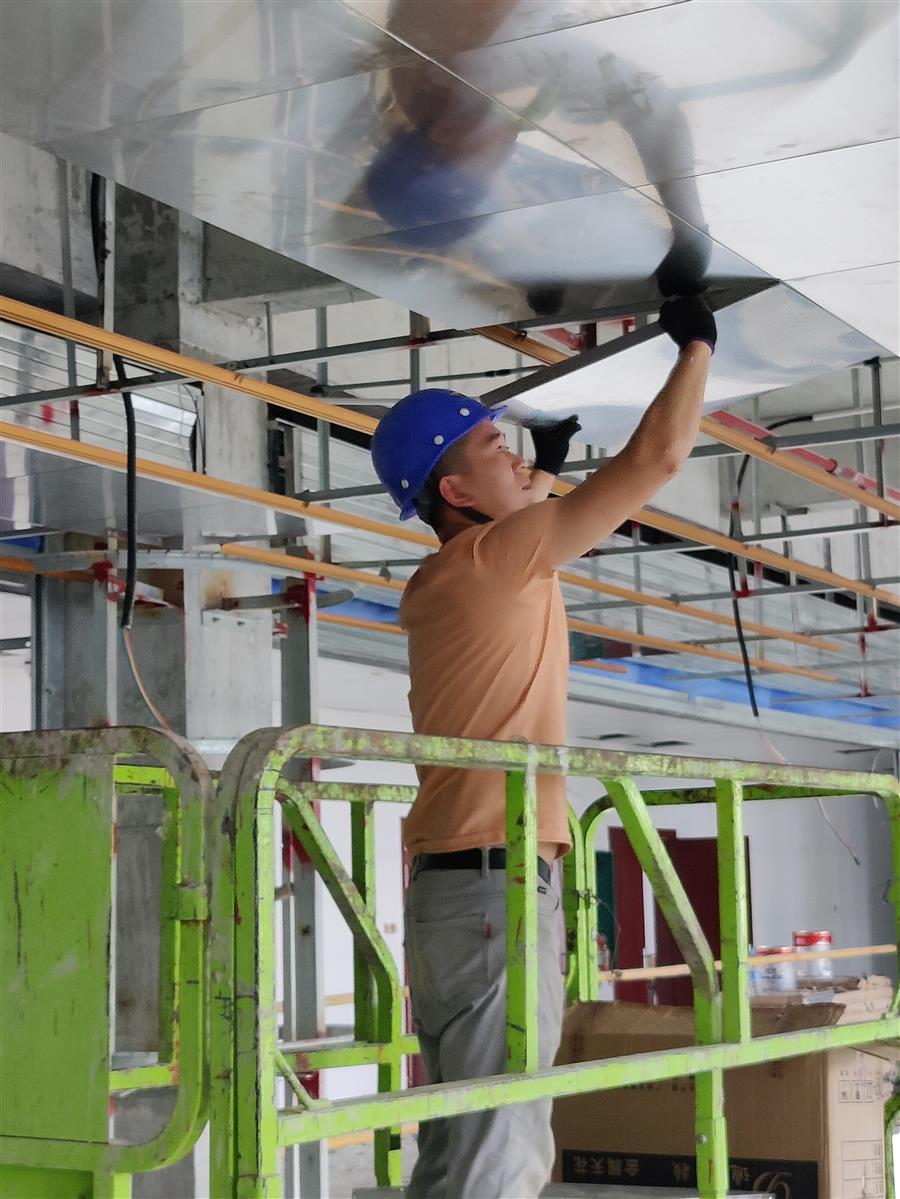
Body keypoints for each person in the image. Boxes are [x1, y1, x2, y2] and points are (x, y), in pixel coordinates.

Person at [370, 294, 717, 1198]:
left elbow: (529, 514)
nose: (522, 460)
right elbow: (657, 459)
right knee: (501, 1153)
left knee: (467, 1144)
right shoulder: (501, 558)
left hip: (465, 889)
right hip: (494, 885)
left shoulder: (455, 571)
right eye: (497, 447)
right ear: (455, 492)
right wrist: (696, 344)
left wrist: (538, 469)